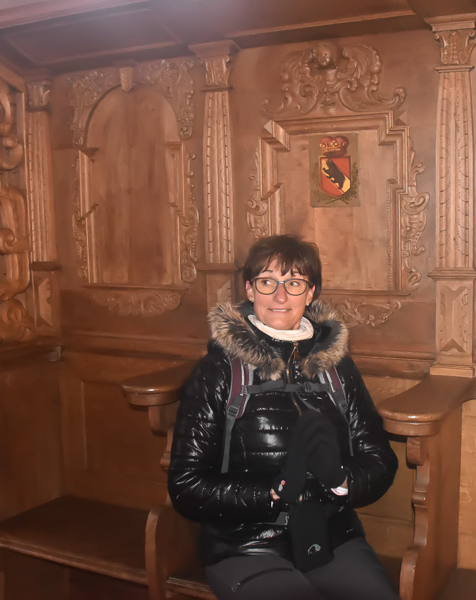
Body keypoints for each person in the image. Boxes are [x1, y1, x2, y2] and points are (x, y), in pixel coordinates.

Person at [168, 234, 399, 600]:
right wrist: (274, 492)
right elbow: (186, 486)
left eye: (294, 283)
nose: (280, 296)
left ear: (311, 293)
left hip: (331, 537)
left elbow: (380, 460)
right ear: (250, 290)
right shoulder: (219, 372)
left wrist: (339, 480)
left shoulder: (337, 369)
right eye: (267, 282)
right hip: (246, 545)